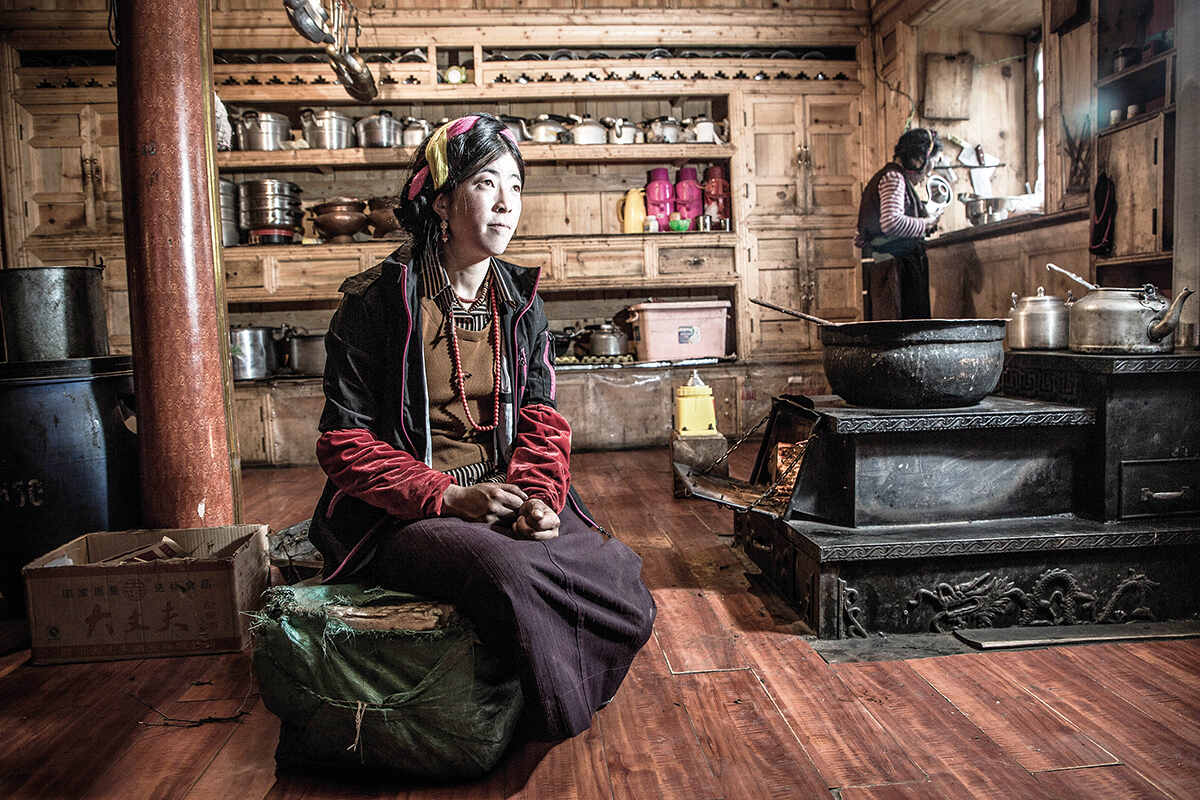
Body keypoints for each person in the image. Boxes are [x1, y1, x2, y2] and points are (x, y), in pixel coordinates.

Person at [306, 112, 656, 742]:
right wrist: (445, 495)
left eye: (516, 188)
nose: (505, 204)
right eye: (486, 184)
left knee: (617, 572)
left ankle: (543, 683)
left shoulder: (520, 301)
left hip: (505, 490)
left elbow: (542, 420)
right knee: (511, 572)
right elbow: (344, 442)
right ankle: (540, 717)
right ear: (441, 201)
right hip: (411, 510)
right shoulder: (378, 303)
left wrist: (542, 500)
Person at [856, 128, 943, 319]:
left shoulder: (895, 177)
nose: (929, 172)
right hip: (894, 270)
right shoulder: (894, 178)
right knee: (901, 330)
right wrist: (926, 224)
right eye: (932, 163)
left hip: (893, 266)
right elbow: (891, 223)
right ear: (918, 160)